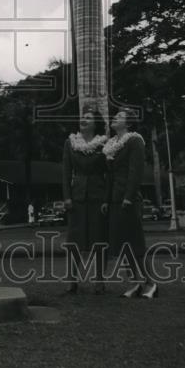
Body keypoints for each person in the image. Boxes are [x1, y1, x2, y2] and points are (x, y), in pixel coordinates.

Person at [105, 106, 157, 299]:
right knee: (122, 245)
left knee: (135, 244)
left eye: (119, 116)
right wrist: (107, 200)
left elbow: (135, 172)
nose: (114, 118)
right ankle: (135, 282)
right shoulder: (111, 144)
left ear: (128, 123)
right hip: (114, 200)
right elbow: (110, 176)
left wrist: (128, 196)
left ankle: (151, 283)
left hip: (128, 199)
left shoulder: (135, 141)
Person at [61, 105, 109, 295]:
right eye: (82, 117)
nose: (83, 120)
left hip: (98, 196)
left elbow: (109, 173)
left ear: (96, 123)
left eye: (88, 118)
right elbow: (65, 172)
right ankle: (72, 280)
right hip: (77, 197)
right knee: (74, 240)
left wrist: (106, 198)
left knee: (99, 240)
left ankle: (99, 280)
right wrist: (67, 196)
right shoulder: (70, 143)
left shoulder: (105, 143)